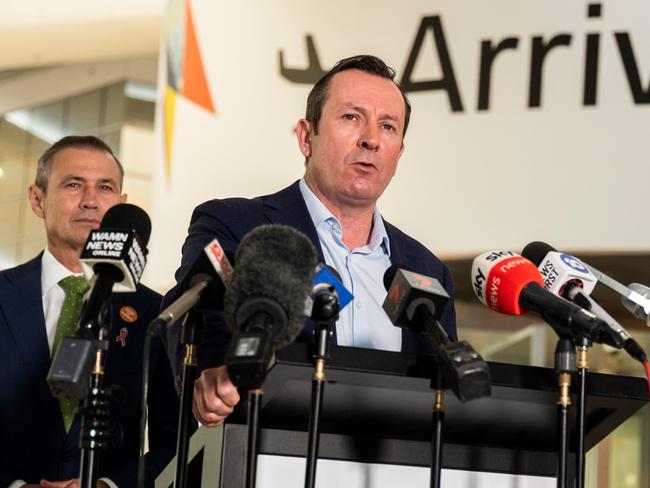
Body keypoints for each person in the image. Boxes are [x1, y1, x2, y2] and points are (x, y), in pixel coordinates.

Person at [164, 55, 457, 427]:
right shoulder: (236, 224)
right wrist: (208, 378)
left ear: (399, 152)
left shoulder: (427, 270)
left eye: (388, 126)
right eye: (352, 117)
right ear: (306, 136)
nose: (370, 139)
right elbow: (195, 316)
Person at [0, 136, 179, 487]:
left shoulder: (154, 313)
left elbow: (174, 444)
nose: (91, 201)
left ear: (122, 203)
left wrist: (108, 486)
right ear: (37, 199)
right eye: (73, 184)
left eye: (105, 188)